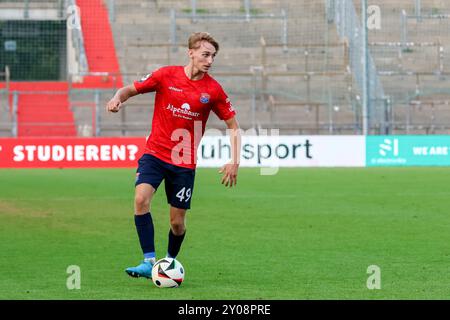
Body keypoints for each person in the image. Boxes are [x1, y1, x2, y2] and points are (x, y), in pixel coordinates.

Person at [106, 32, 241, 279]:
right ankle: (148, 261)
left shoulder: (213, 90)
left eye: (213, 56)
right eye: (205, 54)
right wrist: (117, 98)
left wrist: (235, 161)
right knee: (140, 199)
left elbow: (233, 126)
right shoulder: (166, 75)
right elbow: (129, 89)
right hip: (155, 153)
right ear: (191, 52)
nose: (210, 60)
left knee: (177, 223)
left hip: (183, 163)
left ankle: (168, 263)